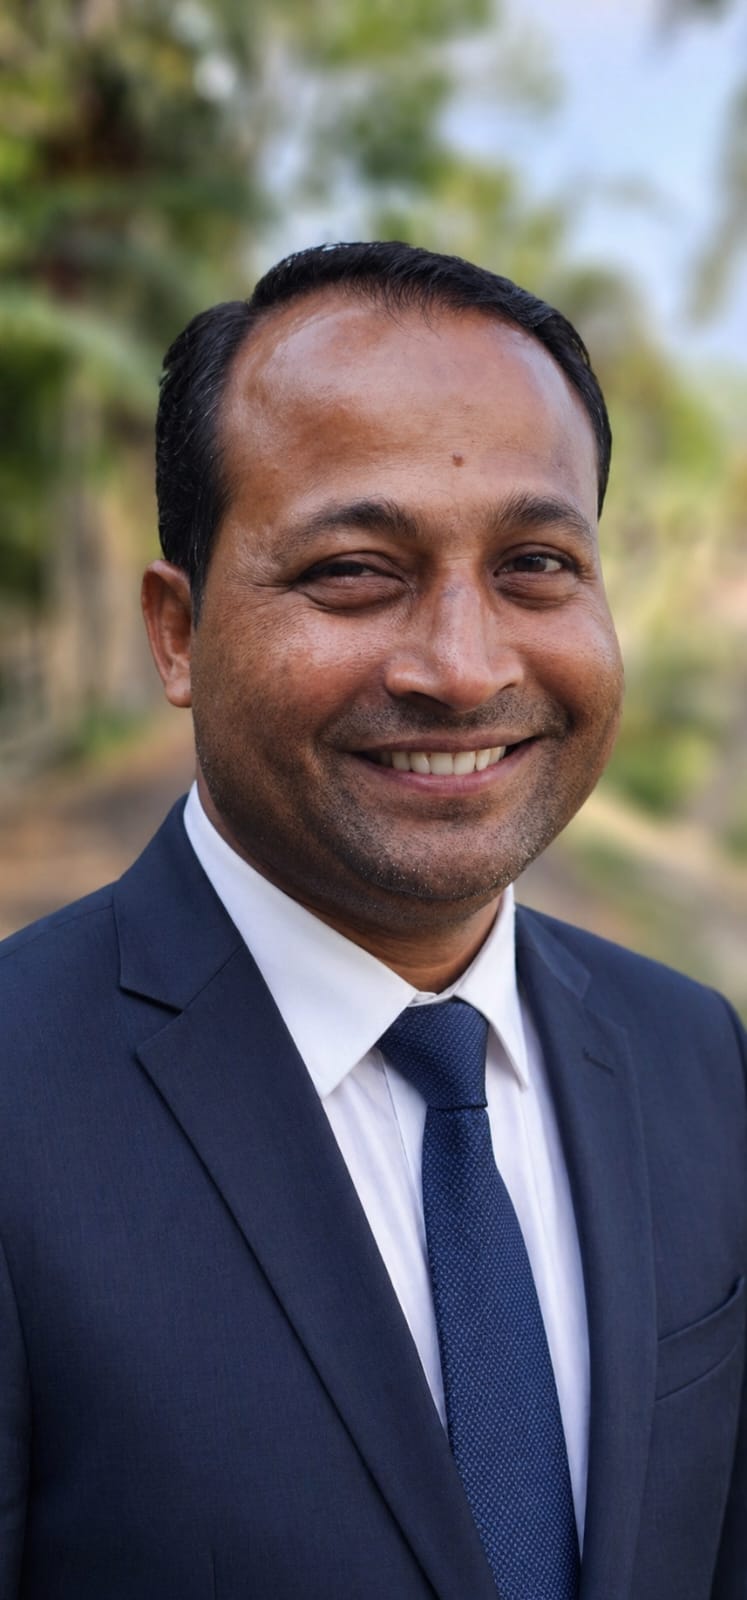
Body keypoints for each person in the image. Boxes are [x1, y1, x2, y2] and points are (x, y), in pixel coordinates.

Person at [0, 242, 745, 1600]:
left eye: (535, 564)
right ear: (177, 633)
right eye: (354, 571)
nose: (463, 667)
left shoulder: (695, 1055)